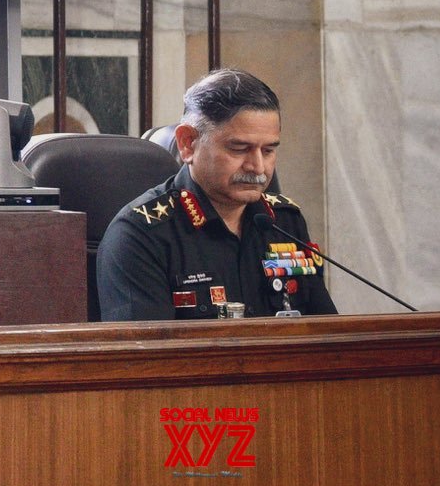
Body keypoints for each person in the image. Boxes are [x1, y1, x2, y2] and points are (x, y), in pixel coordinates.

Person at [96, 68, 336, 321]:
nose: (258, 167)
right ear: (188, 143)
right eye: (239, 148)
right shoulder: (139, 235)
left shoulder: (285, 221)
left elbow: (326, 336)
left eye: (268, 151)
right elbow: (146, 356)